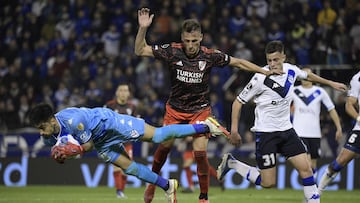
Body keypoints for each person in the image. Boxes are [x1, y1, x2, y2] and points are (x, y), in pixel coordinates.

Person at [135, 8, 282, 203]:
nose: (191, 45)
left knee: (200, 152)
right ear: (182, 38)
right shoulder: (172, 51)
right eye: (187, 41)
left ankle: (203, 197)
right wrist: (143, 28)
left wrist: (263, 72)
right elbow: (140, 50)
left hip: (200, 110)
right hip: (175, 110)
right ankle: (152, 183)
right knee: (164, 147)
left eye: (194, 41)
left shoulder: (209, 55)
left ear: (201, 38)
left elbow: (238, 63)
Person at [216, 40, 347, 203]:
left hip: (287, 130)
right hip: (266, 134)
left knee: (306, 170)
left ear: (283, 57)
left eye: (276, 60)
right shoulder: (260, 77)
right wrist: (234, 131)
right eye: (269, 60)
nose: (272, 64)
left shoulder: (291, 70)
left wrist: (331, 83)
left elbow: (307, 75)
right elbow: (238, 102)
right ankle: (233, 163)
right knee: (268, 183)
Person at [28, 103, 229, 203]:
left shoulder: (74, 120)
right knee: (129, 168)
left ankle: (204, 127)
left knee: (158, 136)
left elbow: (85, 147)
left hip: (110, 124)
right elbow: (71, 148)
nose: (41, 132)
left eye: (42, 127)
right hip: (101, 142)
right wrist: (64, 156)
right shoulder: (47, 137)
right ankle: (168, 185)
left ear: (53, 121)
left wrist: (74, 151)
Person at [292, 68, 343, 178]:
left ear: (312, 76)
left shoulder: (320, 92)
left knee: (313, 164)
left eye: (308, 74)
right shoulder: (293, 90)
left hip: (315, 133)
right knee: (307, 162)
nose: (305, 77)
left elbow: (331, 109)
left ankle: (312, 188)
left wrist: (338, 127)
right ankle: (310, 190)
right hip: (299, 132)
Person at [318, 71, 359, 194]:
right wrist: (358, 118)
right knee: (341, 161)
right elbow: (349, 104)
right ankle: (317, 194)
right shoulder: (357, 79)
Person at [104, 83, 138, 198]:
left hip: (127, 143)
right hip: (113, 142)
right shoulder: (109, 106)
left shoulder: (132, 107)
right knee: (116, 166)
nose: (123, 92)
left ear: (128, 93)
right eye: (121, 90)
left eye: (125, 90)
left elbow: (137, 123)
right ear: (117, 92)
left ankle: (121, 191)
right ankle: (119, 192)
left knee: (126, 168)